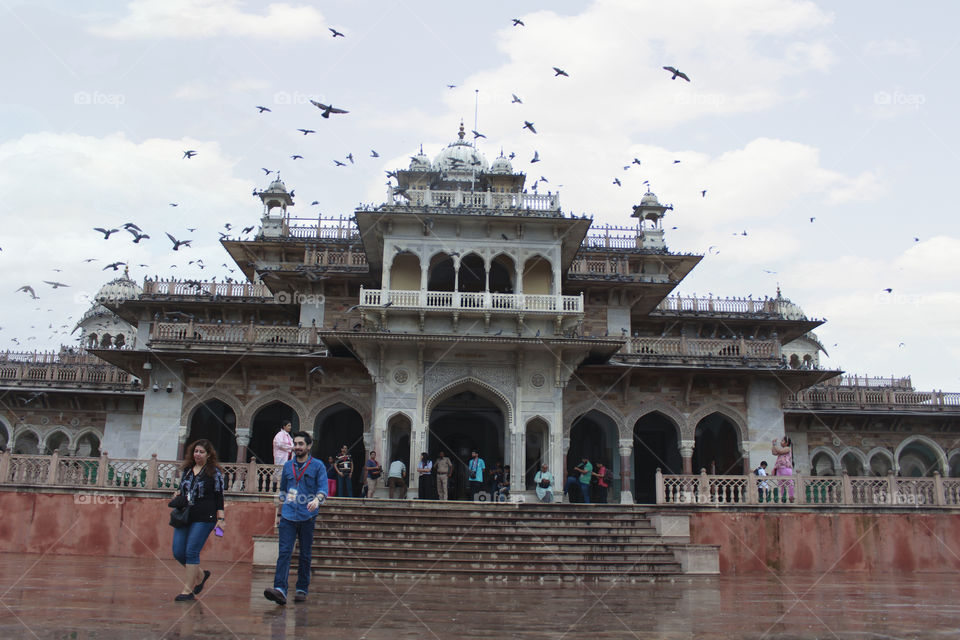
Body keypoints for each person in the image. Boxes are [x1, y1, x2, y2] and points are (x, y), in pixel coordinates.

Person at [264, 431, 327, 606]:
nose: (297, 447)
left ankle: (301, 588)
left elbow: (323, 489)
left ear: (308, 446)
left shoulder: (318, 466)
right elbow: (284, 491)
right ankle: (280, 589)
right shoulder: (288, 466)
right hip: (289, 515)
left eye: (301, 444)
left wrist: (317, 500)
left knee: (305, 554)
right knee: (284, 552)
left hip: (308, 516)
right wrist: (280, 513)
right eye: (295, 444)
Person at [171, 439, 225, 602]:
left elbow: (219, 496)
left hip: (205, 517)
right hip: (185, 515)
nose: (198, 454)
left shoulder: (214, 472)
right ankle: (201, 575)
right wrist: (177, 494)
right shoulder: (187, 470)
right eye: (196, 451)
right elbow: (182, 489)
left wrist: (221, 518)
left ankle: (188, 589)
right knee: (178, 552)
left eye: (201, 452)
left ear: (209, 455)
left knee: (191, 551)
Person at [772, 437, 794, 502]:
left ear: (786, 443)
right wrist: (773, 445)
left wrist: (775, 444)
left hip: (785, 468)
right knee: (780, 484)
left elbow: (779, 451)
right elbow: (774, 453)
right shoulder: (783, 449)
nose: (781, 442)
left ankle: (791, 496)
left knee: (789, 483)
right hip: (779, 468)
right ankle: (781, 497)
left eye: (782, 441)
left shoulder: (787, 448)